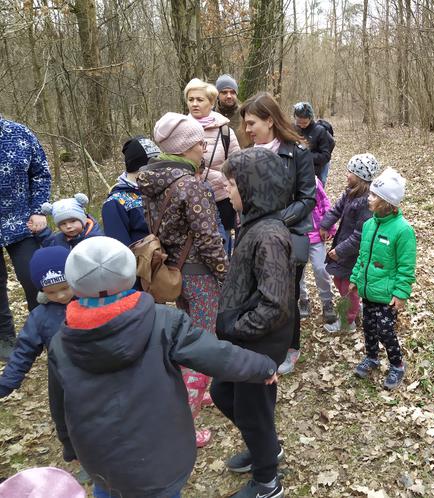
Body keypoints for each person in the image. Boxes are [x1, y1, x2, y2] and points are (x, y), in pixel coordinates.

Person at [48, 236, 278, 498]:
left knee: (109, 490)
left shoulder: (62, 341)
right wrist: (263, 367)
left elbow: (60, 403)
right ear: (128, 271)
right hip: (160, 456)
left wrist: (70, 447)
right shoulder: (164, 321)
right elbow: (217, 356)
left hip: (100, 458)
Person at [138, 112, 229, 447]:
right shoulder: (191, 184)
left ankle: (198, 389)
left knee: (188, 330)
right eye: (198, 142)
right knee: (202, 343)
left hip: (173, 272)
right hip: (199, 274)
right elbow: (208, 238)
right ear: (185, 146)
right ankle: (185, 424)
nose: (204, 147)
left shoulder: (149, 180)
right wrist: (225, 273)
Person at [211, 148, 293, 498]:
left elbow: (274, 304)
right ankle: (266, 447)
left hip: (259, 341)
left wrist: (235, 329)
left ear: (253, 187)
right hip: (245, 336)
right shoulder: (252, 224)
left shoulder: (269, 236)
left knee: (253, 409)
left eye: (232, 184)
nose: (228, 191)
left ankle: (266, 481)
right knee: (222, 392)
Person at [239, 92, 316, 376]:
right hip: (253, 238)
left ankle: (289, 347)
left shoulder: (298, 152)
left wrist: (275, 221)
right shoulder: (246, 155)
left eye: (251, 123)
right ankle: (262, 342)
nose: (247, 130)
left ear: (269, 120)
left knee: (286, 296)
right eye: (245, 124)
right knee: (259, 292)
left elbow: (307, 198)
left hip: (288, 236)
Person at [350, 168, 416, 390]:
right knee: (368, 326)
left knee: (385, 330)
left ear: (387, 202)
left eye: (374, 196)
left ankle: (396, 364)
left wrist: (400, 293)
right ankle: (372, 357)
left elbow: (406, 266)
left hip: (387, 294)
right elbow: (362, 257)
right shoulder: (369, 225)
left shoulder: (403, 230)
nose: (369, 198)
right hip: (368, 290)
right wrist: (355, 278)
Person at [0, 116, 51, 361]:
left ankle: (43, 330)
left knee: (33, 277)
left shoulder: (19, 133)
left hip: (21, 221)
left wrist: (38, 210)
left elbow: (40, 173)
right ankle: (4, 337)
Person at [0, 247, 72, 398]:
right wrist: (6, 384)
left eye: (65, 287)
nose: (60, 295)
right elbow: (23, 351)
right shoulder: (40, 316)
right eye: (51, 292)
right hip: (62, 381)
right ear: (42, 291)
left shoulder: (93, 302)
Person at [320, 153, 380, 333]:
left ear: (361, 177)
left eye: (351, 172)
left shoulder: (365, 203)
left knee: (348, 287)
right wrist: (325, 225)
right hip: (344, 247)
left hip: (353, 254)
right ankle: (355, 307)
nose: (347, 174)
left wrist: (340, 251)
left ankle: (348, 321)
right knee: (339, 280)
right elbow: (336, 209)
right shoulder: (350, 193)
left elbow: (360, 235)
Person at [185, 78, 240, 253]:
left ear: (211, 102)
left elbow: (237, 167)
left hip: (221, 199)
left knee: (223, 249)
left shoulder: (225, 131)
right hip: (190, 199)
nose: (194, 104)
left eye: (199, 100)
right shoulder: (179, 130)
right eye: (190, 99)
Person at [101, 136, 160, 246]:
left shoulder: (158, 190)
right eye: (154, 166)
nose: (159, 171)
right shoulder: (116, 203)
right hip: (142, 260)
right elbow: (119, 248)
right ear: (140, 168)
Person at [298, 176, 337, 324]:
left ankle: (327, 302)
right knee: (298, 271)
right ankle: (303, 299)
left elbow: (325, 203)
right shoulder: (285, 180)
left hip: (315, 234)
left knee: (321, 268)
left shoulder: (313, 181)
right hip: (296, 234)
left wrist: (327, 226)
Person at [36, 193, 103, 248]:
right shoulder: (60, 239)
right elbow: (51, 247)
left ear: (83, 220)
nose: (68, 226)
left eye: (73, 221)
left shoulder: (96, 238)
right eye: (63, 224)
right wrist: (42, 232)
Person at [293, 102, 334, 185]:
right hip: (300, 171)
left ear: (310, 118)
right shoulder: (293, 128)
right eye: (298, 122)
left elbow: (326, 156)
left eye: (304, 123)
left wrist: (305, 155)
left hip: (316, 171)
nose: (301, 125)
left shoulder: (320, 131)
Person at [215, 74, 252, 148]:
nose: (229, 96)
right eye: (224, 92)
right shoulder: (210, 115)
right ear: (217, 95)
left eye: (232, 92)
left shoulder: (246, 113)